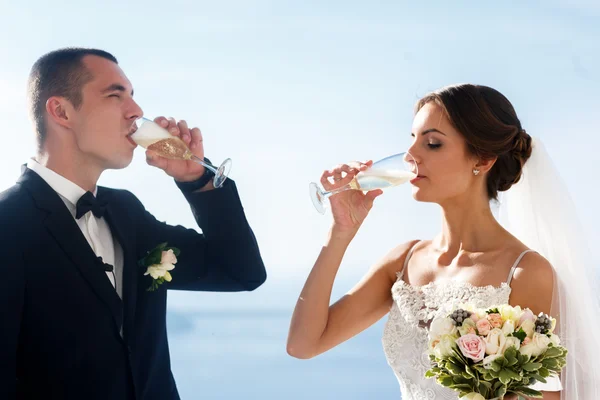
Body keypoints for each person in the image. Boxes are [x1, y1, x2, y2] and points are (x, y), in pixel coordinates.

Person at [287, 84, 600, 399]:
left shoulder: (525, 273)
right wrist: (341, 231)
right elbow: (303, 344)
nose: (410, 156)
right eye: (412, 140)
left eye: (433, 143)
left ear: (484, 159)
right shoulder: (403, 261)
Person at [0, 47, 267, 400]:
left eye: (133, 95)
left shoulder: (127, 213)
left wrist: (197, 180)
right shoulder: (8, 224)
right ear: (61, 111)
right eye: (115, 95)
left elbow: (241, 272)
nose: (137, 112)